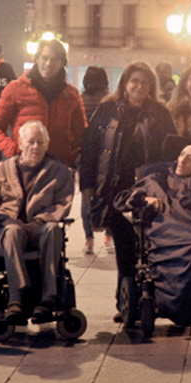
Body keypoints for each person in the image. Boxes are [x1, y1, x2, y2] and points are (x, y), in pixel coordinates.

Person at [80, 62, 176, 321]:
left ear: (151, 86)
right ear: (125, 83)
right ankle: (125, 300)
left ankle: (148, 296)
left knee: (149, 244)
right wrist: (87, 186)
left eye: (144, 82)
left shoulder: (160, 113)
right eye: (134, 81)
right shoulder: (107, 109)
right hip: (113, 188)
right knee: (125, 244)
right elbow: (90, 148)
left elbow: (171, 151)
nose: (139, 86)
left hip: (150, 188)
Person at [114, 144, 191, 332]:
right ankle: (180, 304)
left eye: (190, 158)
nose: (182, 160)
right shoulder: (156, 180)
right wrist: (145, 199)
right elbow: (122, 199)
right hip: (166, 229)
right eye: (181, 154)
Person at [0, 121, 75, 325]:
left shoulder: (59, 171)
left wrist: (40, 220)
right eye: (31, 142)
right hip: (8, 229)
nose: (35, 147)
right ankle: (16, 297)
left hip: (41, 228)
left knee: (53, 230)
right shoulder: (0, 170)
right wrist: (5, 218)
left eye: (40, 142)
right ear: (20, 143)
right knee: (13, 231)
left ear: (47, 145)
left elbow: (62, 202)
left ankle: (48, 298)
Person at [0, 38, 87, 168]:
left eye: (54, 59)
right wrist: (14, 151)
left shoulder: (72, 94)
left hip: (58, 169)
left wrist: (70, 155)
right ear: (37, 59)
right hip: (23, 168)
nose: (49, 63)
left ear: (62, 63)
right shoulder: (15, 89)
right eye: (45, 58)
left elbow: (81, 133)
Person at [78, 66, 110, 255]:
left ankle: (89, 239)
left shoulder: (81, 99)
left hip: (86, 153)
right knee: (109, 193)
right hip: (107, 152)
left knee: (86, 194)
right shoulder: (109, 100)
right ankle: (109, 235)